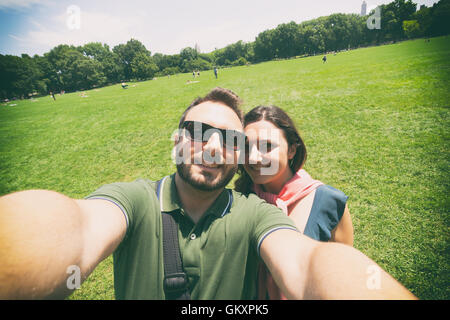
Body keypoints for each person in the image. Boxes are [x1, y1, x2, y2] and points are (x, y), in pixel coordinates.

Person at [0, 87, 416, 300]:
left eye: (229, 139)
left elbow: (308, 264)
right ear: (176, 141)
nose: (214, 148)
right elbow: (75, 226)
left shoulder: (256, 212)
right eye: (199, 134)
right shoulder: (133, 201)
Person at [235, 105, 354, 299]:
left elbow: (342, 275)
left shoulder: (329, 202)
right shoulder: (238, 201)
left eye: (267, 146)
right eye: (247, 147)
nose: (254, 157)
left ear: (291, 149)